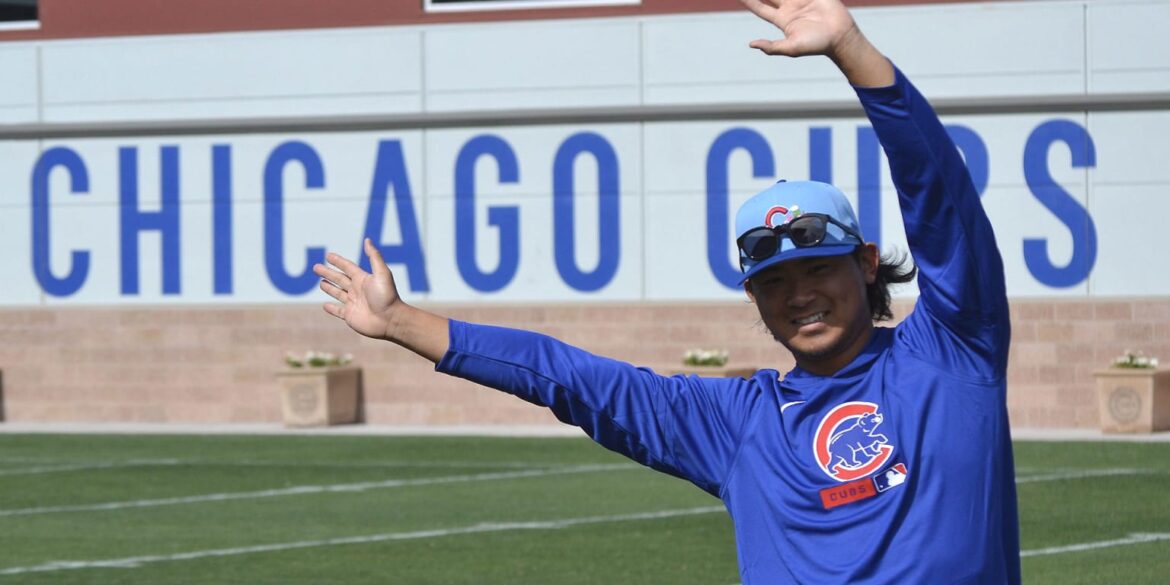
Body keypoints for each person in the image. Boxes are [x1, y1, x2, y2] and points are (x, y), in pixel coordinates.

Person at [313, 0, 1020, 582]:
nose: (799, 294)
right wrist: (400, 322)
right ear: (753, 299)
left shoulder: (955, 350)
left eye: (816, 269)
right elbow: (572, 379)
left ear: (865, 264)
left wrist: (853, 51)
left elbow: (938, 196)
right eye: (773, 282)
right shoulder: (738, 423)